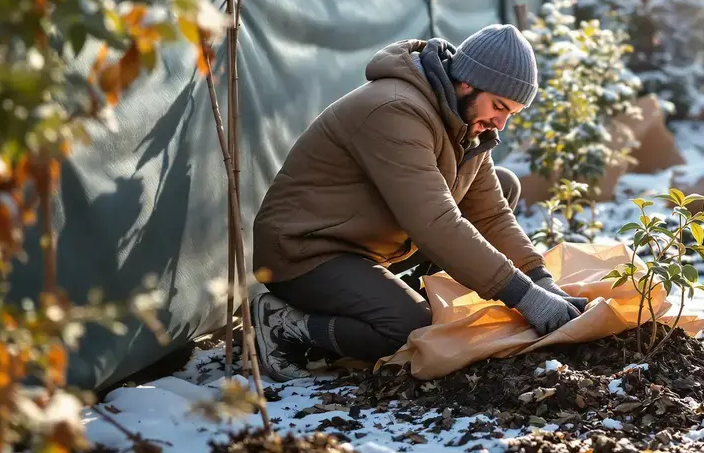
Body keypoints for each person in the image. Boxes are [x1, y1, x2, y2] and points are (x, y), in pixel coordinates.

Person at [248, 24, 588, 382]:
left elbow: (491, 215)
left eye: (512, 113)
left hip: (366, 240)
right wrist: (525, 297)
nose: (500, 123)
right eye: (499, 106)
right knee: (411, 329)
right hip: (305, 250)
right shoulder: (395, 110)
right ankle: (287, 325)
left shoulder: (467, 121)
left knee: (504, 186)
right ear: (467, 83)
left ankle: (394, 296)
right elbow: (435, 223)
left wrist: (541, 280)